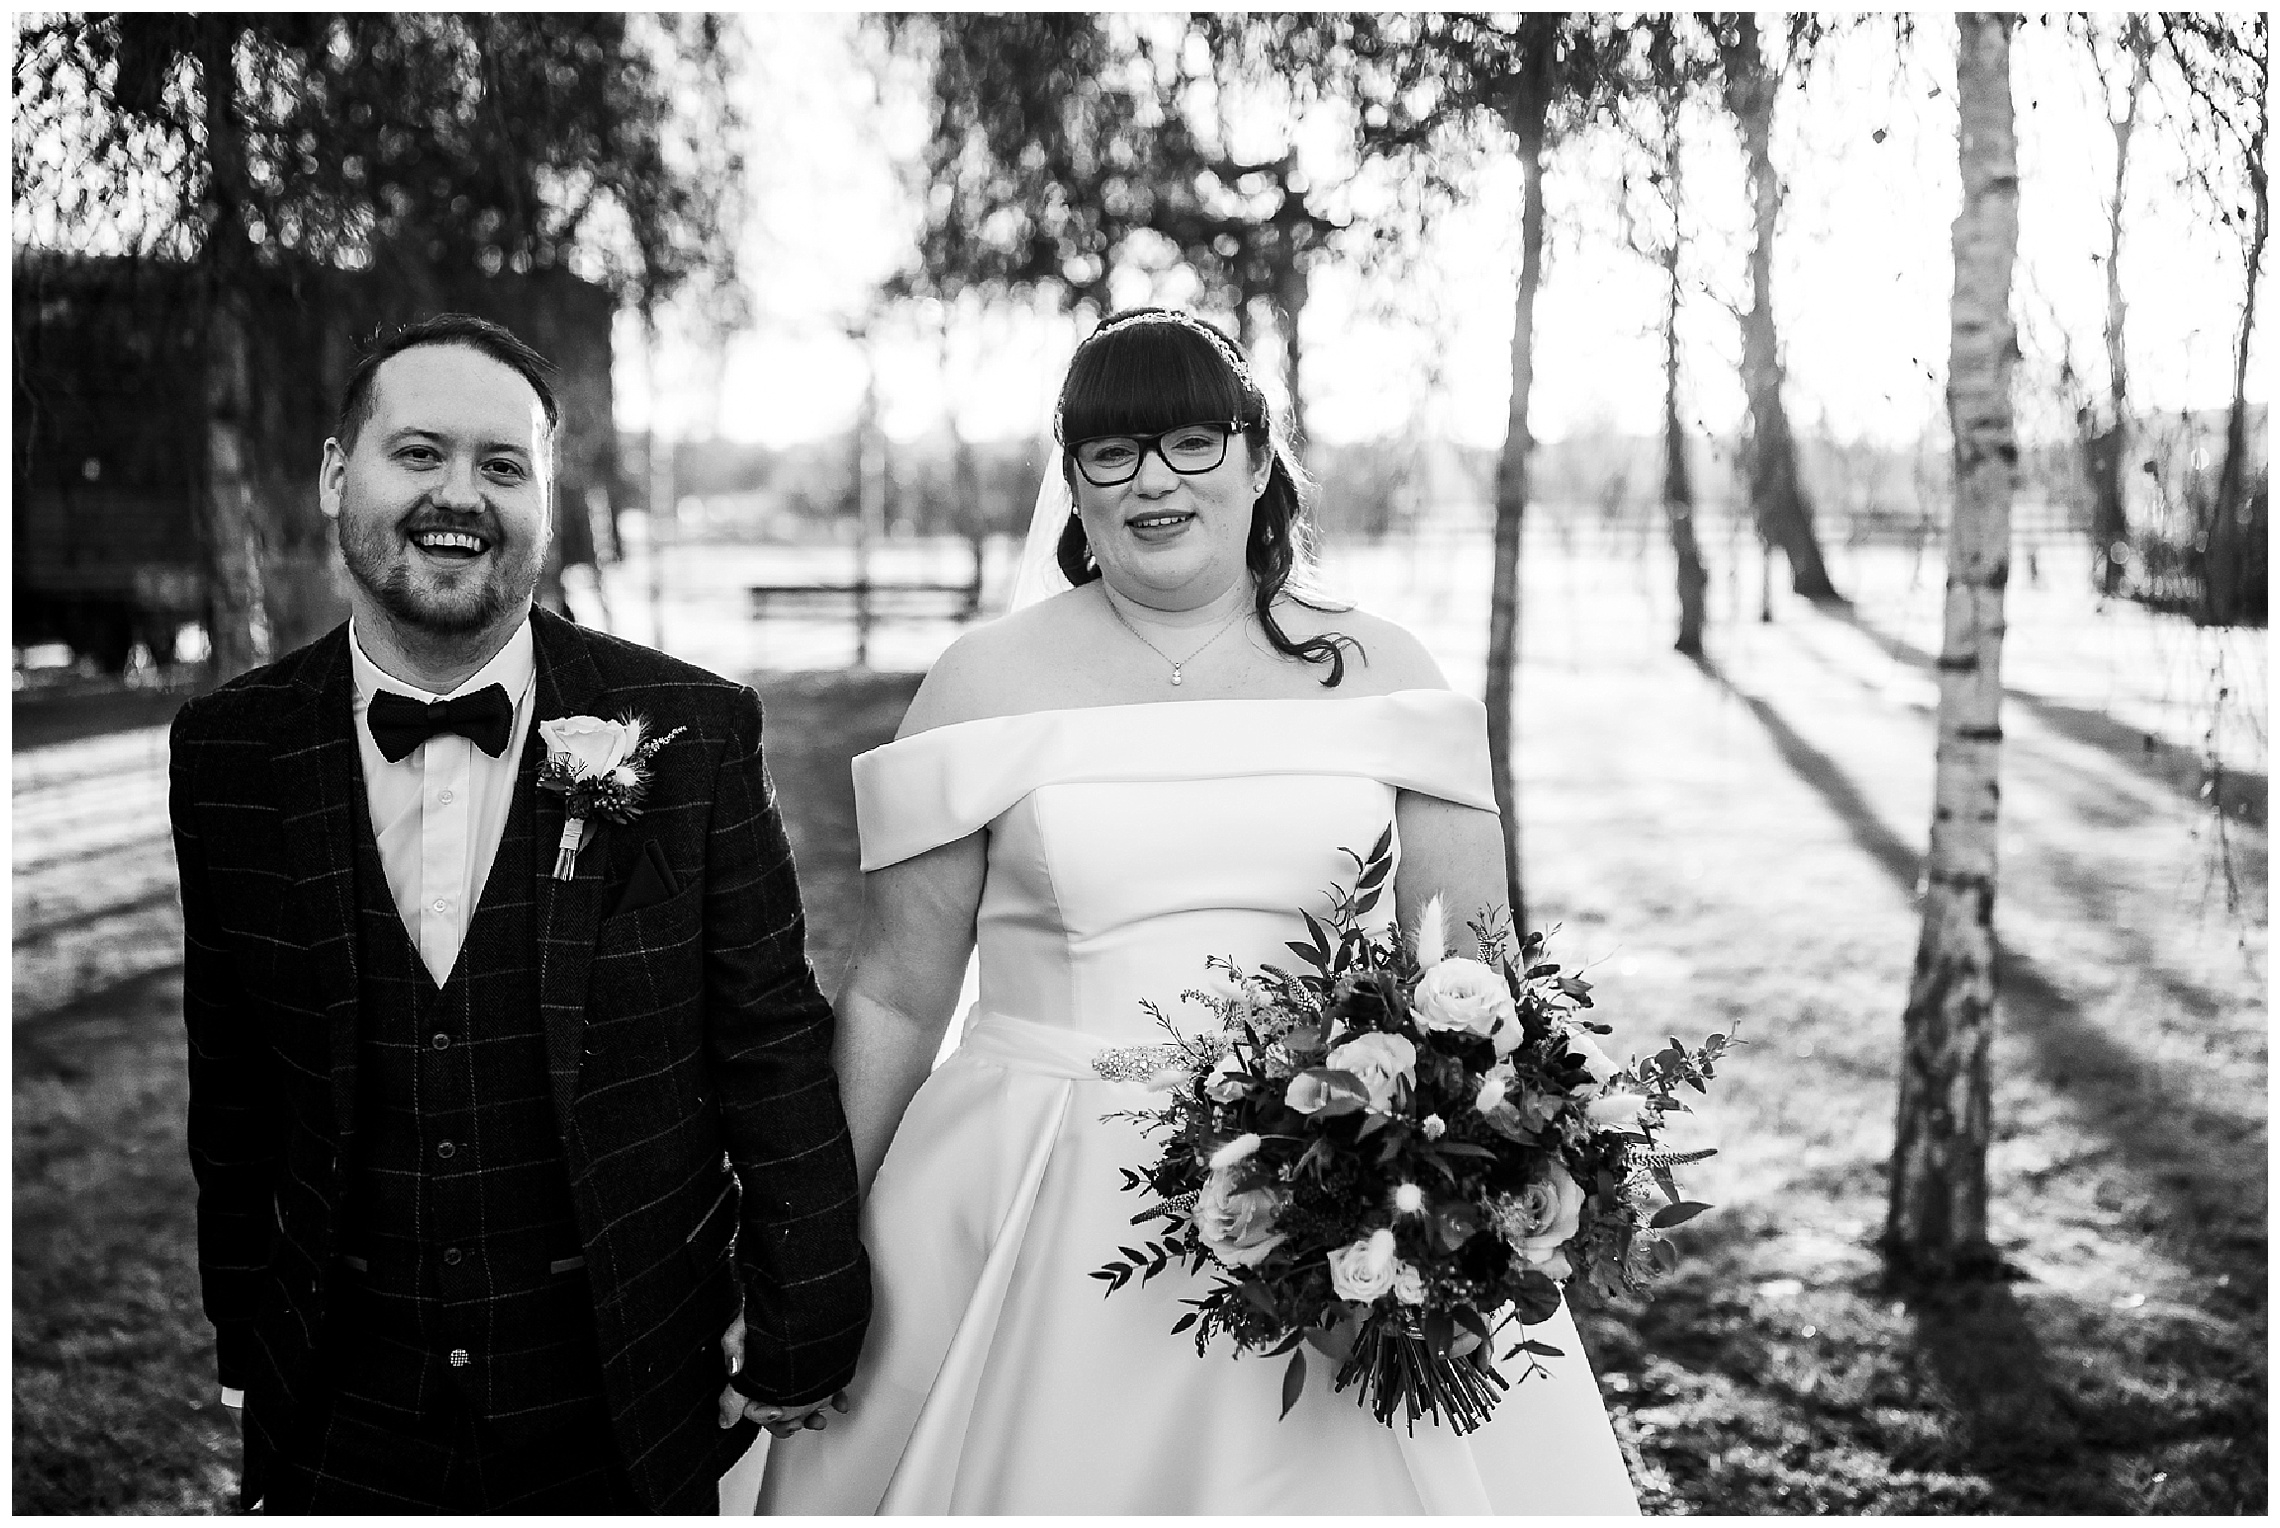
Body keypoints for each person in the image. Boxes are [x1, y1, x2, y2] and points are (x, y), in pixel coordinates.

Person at [756, 308, 1639, 1513]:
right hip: (1030, 1193)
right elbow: (900, 997)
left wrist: (1451, 1204)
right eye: (1111, 453)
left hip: (1331, 1197)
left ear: (1258, 458)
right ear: (1073, 483)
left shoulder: (1386, 673)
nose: (1152, 480)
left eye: (1189, 441)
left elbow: (1475, 989)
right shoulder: (983, 682)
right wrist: (808, 1241)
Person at [168, 313, 870, 1513]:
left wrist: (805, 1300)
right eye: (419, 453)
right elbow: (234, 1082)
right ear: (339, 472)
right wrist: (247, 1333)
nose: (461, 495)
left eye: (503, 466)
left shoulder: (693, 731)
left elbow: (770, 1045)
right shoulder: (230, 748)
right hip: (339, 1400)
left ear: (548, 496)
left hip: (625, 1390)